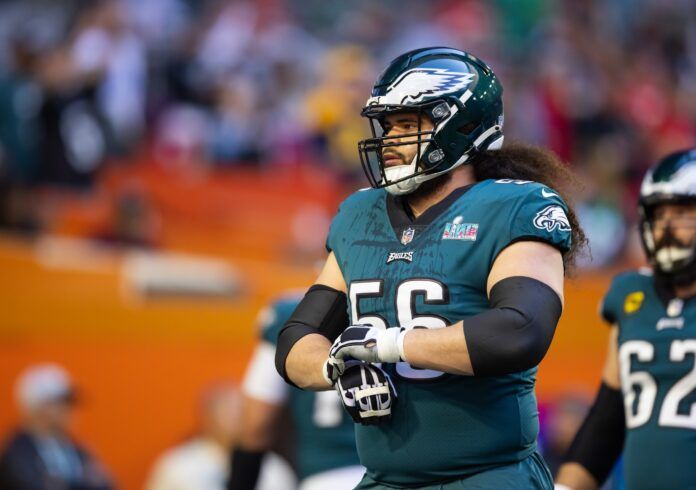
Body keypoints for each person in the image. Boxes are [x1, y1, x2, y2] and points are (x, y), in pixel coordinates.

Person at [273, 47, 586, 490]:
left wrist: (389, 346)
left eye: (407, 125)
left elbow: (521, 330)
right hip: (385, 479)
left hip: (487, 476)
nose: (390, 141)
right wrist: (335, 364)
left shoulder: (515, 206)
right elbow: (295, 340)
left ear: (460, 127)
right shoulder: (360, 213)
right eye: (388, 126)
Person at [556, 148, 696, 490]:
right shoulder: (633, 294)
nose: (666, 228)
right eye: (659, 215)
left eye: (680, 213)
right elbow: (608, 418)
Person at [228, 292, 363, 490]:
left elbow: (256, 425)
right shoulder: (406, 308)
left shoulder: (290, 313)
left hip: (326, 477)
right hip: (402, 475)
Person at [146, 384, 293, 490]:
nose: (238, 418)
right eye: (229, 410)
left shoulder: (273, 468)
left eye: (243, 411)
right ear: (207, 417)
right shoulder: (178, 466)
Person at [0, 364, 113, 490]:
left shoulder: (76, 449)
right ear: (38, 407)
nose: (70, 410)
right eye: (62, 402)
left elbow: (105, 484)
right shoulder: (18, 453)